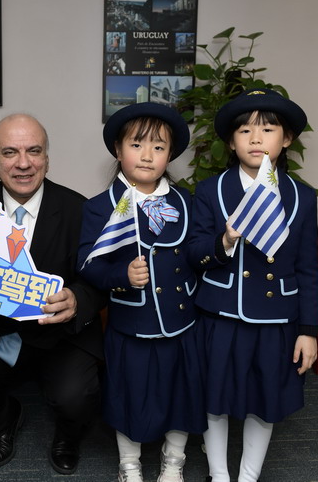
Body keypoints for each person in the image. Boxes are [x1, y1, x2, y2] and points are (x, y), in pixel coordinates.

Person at [0, 114, 105, 475]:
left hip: (60, 334)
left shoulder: (81, 210)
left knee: (76, 396)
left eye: (34, 151)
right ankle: (4, 420)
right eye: (10, 152)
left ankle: (68, 436)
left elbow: (101, 278)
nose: (23, 163)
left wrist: (77, 298)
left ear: (47, 159)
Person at [187, 89, 318, 482]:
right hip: (221, 314)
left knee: (265, 400)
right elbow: (194, 253)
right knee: (214, 398)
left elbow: (308, 268)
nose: (256, 138)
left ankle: (248, 476)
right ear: (231, 142)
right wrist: (225, 240)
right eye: (245, 131)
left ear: (287, 138)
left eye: (268, 129)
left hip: (276, 319)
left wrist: (309, 330)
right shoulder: (211, 191)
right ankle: (218, 474)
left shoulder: (303, 197)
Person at [77, 103, 206, 482]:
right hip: (131, 324)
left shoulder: (187, 203)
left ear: (170, 155)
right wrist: (122, 274)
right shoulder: (100, 207)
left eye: (159, 147)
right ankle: (129, 464)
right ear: (118, 150)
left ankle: (174, 461)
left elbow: (197, 255)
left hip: (181, 324)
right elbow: (86, 264)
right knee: (128, 396)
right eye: (137, 145)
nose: (147, 155)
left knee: (181, 395)